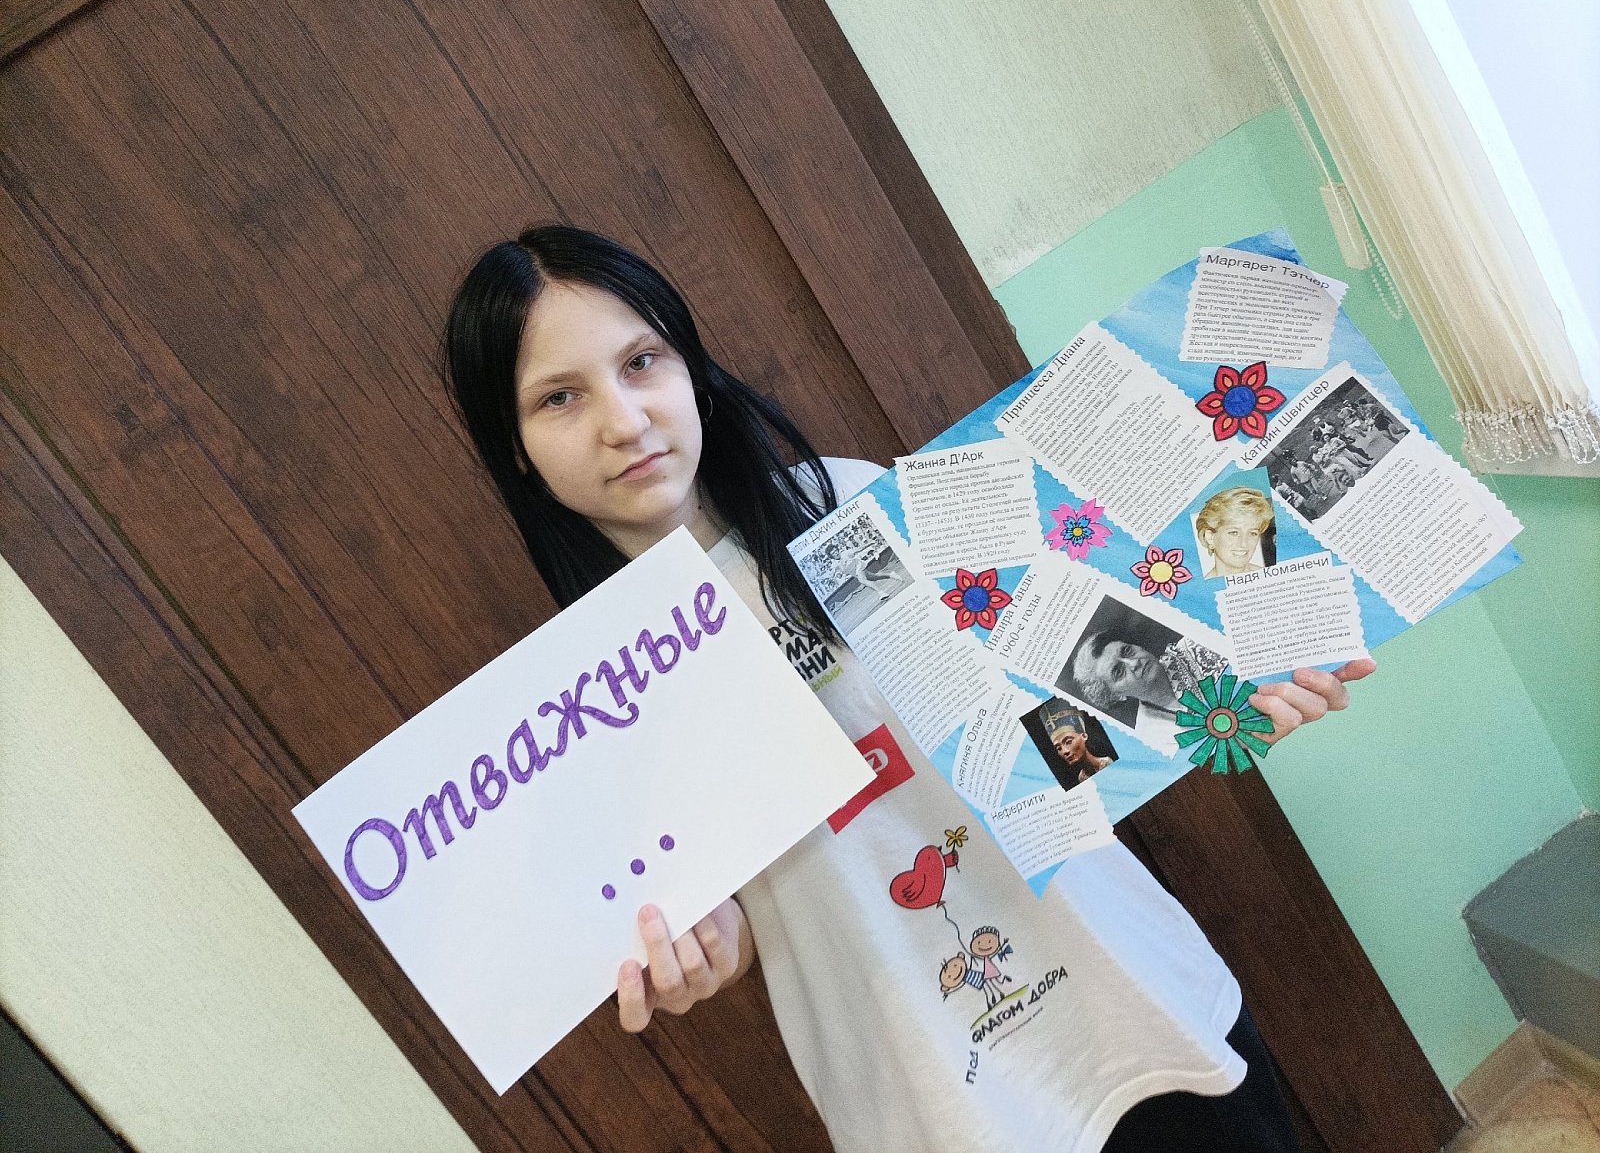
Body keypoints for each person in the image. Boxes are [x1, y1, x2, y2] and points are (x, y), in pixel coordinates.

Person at [443, 224, 1374, 1152]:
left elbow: (1061, 718)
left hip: (1132, 1005)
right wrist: (713, 947)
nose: (623, 420)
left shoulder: (849, 507)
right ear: (515, 445)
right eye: (559, 397)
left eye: (641, 362)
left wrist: (1214, 702)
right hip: (935, 1102)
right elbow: (757, 911)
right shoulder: (579, 710)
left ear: (688, 364)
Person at [1068, 630, 1228, 750]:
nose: (1134, 663)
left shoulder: (1197, 646)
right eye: (1118, 671)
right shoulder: (1151, 736)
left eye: (1127, 651)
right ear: (1116, 696)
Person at [1195, 487, 1275, 579]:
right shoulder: (1200, 587)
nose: (1244, 544)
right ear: (1210, 538)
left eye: (1252, 533)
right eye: (1234, 533)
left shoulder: (1271, 577)